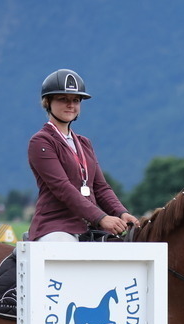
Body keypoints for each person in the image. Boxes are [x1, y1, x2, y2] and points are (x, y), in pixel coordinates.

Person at [28, 68, 139, 242]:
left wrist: (121, 212)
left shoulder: (84, 143)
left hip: (89, 227)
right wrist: (101, 218)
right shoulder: (41, 142)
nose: (70, 105)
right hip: (56, 227)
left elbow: (101, 188)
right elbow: (62, 188)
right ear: (48, 102)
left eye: (75, 100)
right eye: (63, 99)